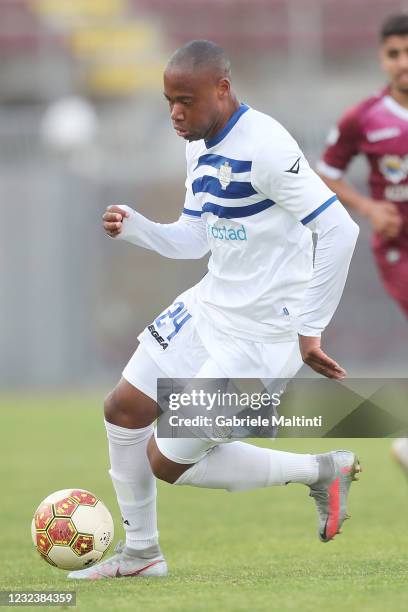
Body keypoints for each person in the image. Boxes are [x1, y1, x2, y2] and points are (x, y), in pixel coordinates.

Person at [68, 40, 360, 580]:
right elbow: (197, 238)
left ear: (222, 90)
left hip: (261, 340)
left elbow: (340, 230)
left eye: (185, 100)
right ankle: (141, 555)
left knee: (166, 461)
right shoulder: (196, 142)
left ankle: (321, 469)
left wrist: (310, 330)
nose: (175, 113)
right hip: (208, 309)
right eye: (167, 101)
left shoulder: (267, 146)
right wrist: (138, 228)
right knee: (123, 409)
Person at [317, 14, 408, 476]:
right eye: (395, 54)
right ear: (382, 57)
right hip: (399, 248)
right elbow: (326, 173)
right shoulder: (364, 116)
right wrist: (369, 208)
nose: (403, 63)